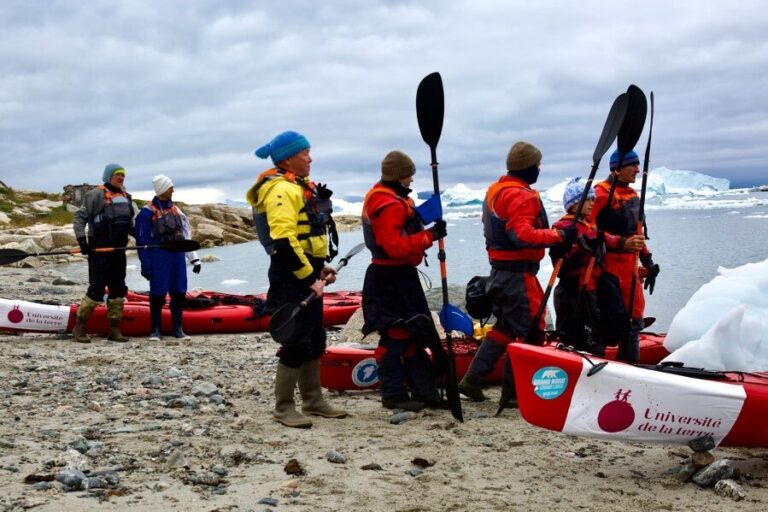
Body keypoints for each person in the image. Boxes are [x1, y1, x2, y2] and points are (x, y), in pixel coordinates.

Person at [458, 142, 577, 403]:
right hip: (517, 276)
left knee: (506, 328)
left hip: (499, 272)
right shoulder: (521, 195)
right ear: (529, 166)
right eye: (538, 164)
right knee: (531, 331)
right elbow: (521, 234)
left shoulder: (495, 191)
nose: (539, 168)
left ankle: (472, 380)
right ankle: (513, 394)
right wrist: (559, 235)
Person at [246, 130, 347, 428]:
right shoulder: (280, 190)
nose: (310, 158)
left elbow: (307, 240)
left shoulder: (298, 187)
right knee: (295, 339)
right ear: (289, 157)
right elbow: (284, 241)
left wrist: (321, 268)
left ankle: (313, 400)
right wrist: (308, 277)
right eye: (305, 153)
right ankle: (283, 407)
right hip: (290, 274)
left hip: (307, 268)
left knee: (315, 336)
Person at [361, 150, 448, 412]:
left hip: (400, 276)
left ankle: (424, 392)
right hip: (389, 279)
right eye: (409, 176)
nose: (411, 181)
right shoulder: (387, 203)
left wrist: (424, 217)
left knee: (414, 335)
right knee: (396, 335)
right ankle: (393, 394)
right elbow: (394, 247)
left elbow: (404, 228)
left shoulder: (392, 198)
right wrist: (430, 236)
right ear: (399, 176)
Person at [550, 177, 636, 356]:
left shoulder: (589, 226)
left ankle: (598, 352)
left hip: (590, 289)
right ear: (574, 205)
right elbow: (562, 254)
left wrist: (622, 242)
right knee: (573, 334)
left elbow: (603, 237)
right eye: (588, 200)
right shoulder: (564, 227)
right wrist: (578, 246)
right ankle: (576, 361)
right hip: (573, 291)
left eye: (592, 199)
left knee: (594, 329)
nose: (592, 203)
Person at [588, 149, 659, 363]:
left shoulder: (634, 195)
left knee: (634, 323)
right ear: (617, 168)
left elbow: (637, 234)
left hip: (631, 272)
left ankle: (630, 371)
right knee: (610, 323)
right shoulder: (600, 194)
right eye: (633, 165)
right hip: (607, 270)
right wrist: (619, 242)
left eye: (638, 165)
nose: (638, 169)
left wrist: (648, 261)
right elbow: (589, 231)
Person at [72, 164, 136, 343]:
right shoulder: (95, 195)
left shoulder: (126, 197)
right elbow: (80, 218)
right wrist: (82, 241)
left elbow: (130, 224)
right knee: (96, 289)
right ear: (108, 176)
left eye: (123, 175)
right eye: (117, 175)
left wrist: (141, 236)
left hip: (119, 251)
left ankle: (114, 330)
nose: (121, 178)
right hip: (99, 250)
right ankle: (79, 328)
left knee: (118, 290)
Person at [135, 175, 201, 341]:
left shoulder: (176, 211)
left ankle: (178, 329)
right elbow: (141, 241)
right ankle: (155, 330)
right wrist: (146, 265)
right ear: (162, 190)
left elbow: (186, 236)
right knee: (157, 294)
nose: (173, 190)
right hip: (159, 257)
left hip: (177, 257)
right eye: (170, 187)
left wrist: (194, 259)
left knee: (179, 293)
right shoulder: (146, 213)